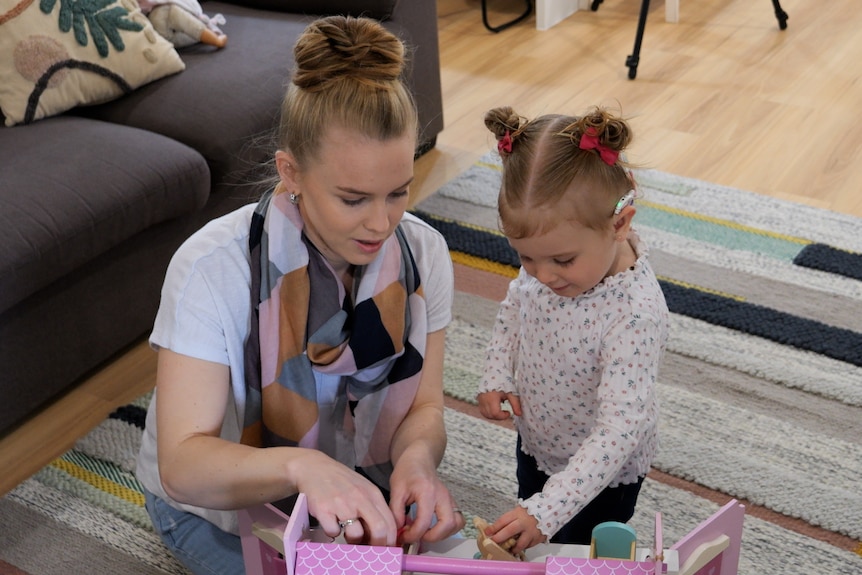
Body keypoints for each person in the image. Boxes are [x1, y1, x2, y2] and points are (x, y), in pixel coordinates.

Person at [135, 15, 464, 574]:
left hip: (358, 486)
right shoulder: (211, 269)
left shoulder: (424, 254)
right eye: (353, 198)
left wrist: (414, 459)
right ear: (291, 172)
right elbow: (184, 465)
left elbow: (426, 407)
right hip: (214, 510)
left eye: (398, 192)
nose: (383, 223)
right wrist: (301, 468)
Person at [476, 105, 669, 555]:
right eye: (526, 258)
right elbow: (514, 308)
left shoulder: (634, 314)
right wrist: (497, 373)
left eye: (562, 260)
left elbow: (620, 430)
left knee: (580, 556)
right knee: (535, 532)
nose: (541, 275)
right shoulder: (548, 263)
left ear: (620, 224)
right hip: (539, 441)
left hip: (602, 477)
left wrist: (548, 511)